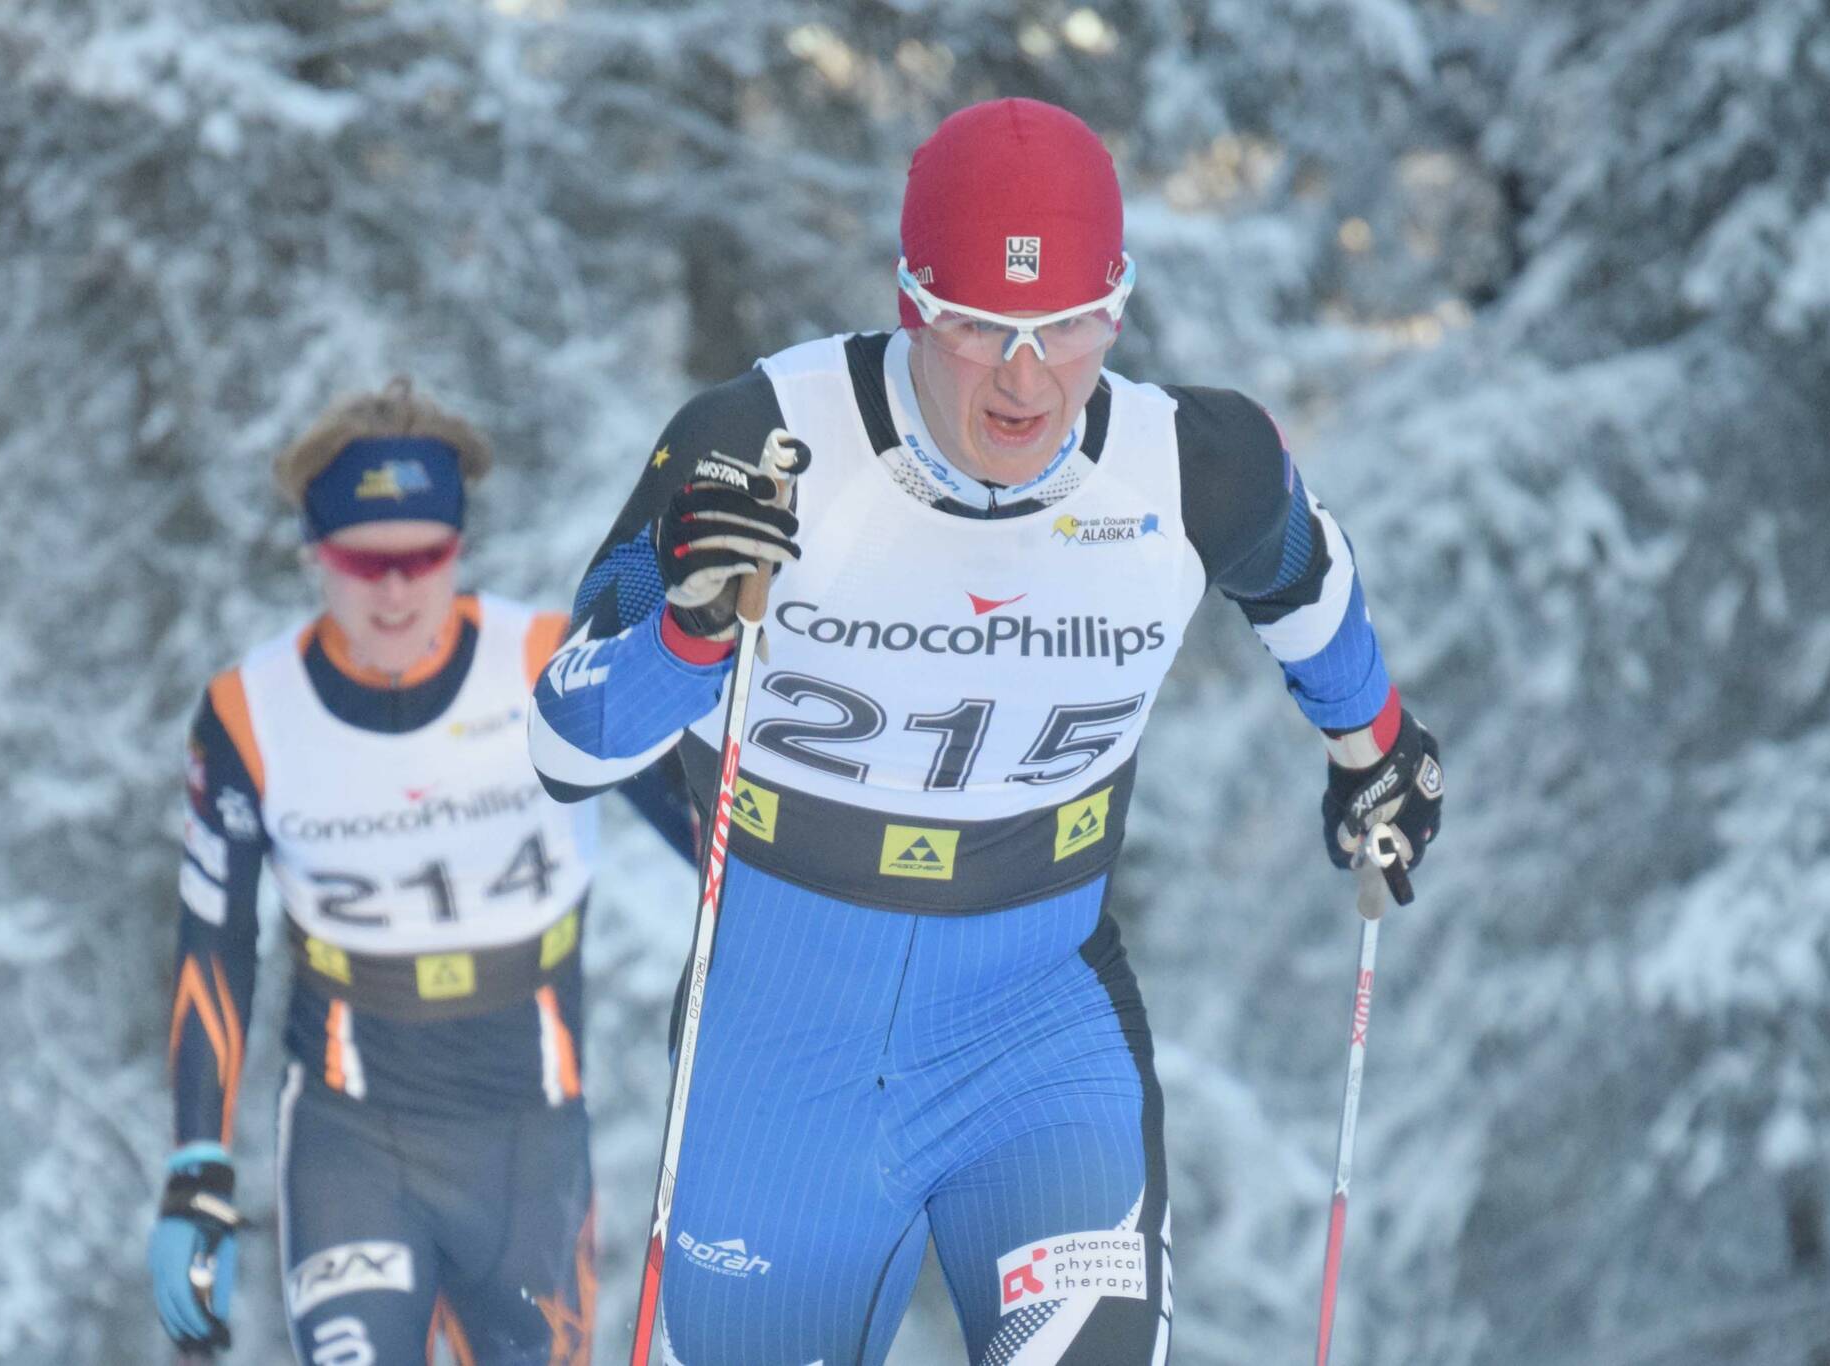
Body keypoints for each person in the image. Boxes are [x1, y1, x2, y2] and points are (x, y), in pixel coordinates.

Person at [528, 99, 1445, 1366]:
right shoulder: (757, 440)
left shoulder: (1190, 466)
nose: (1025, 378)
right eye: (977, 327)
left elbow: (1304, 579)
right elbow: (565, 743)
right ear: (911, 302)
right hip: (780, 1049)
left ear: (1114, 308)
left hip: (1033, 1032)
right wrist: (684, 633)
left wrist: (1374, 746)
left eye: (1065, 326)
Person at [149, 379, 692, 1364]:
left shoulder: (544, 662)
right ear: (316, 552)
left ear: (458, 547)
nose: (394, 590)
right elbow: (214, 936)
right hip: (351, 1135)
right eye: (364, 561)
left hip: (529, 1134)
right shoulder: (248, 713)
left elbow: (715, 847)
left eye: (423, 556)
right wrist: (198, 1165)